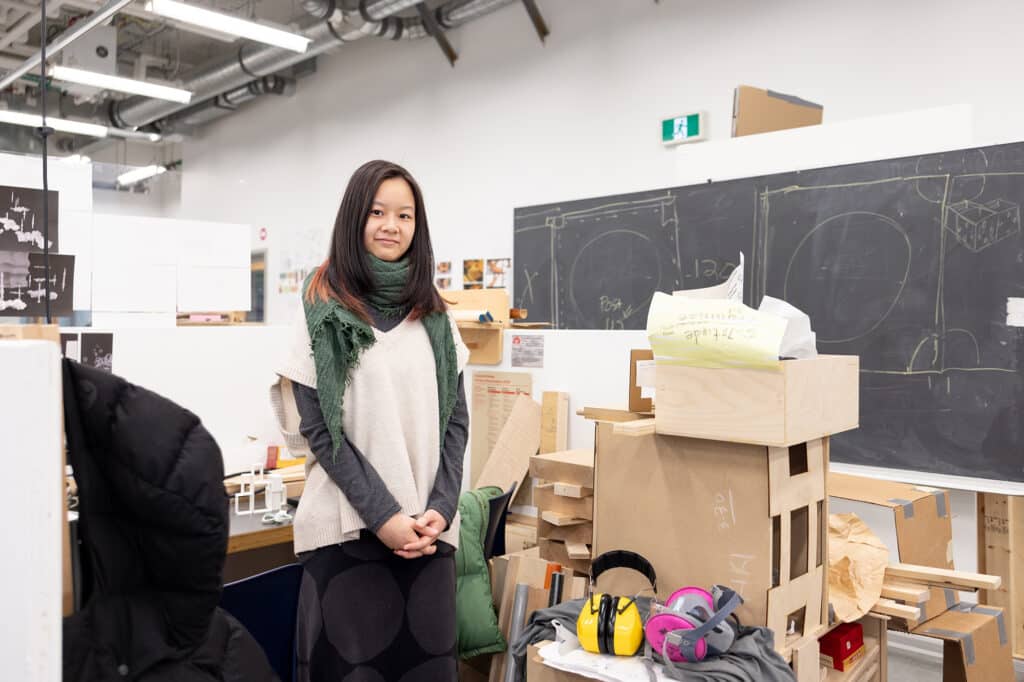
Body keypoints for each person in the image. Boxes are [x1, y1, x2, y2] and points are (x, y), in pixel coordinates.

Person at [275, 160, 470, 681]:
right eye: (378, 212)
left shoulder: (435, 316)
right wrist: (384, 517)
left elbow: (455, 423)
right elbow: (321, 431)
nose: (391, 226)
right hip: (347, 537)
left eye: (405, 215)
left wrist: (443, 507)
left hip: (428, 536)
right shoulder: (320, 309)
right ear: (355, 217)